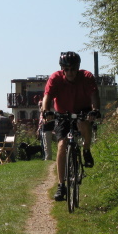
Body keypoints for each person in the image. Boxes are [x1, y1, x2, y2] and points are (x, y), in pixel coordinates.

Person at [42, 51, 100, 201]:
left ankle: (86, 149)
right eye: (66, 69)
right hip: (63, 114)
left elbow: (94, 95)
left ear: (78, 67)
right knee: (62, 146)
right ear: (62, 69)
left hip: (83, 111)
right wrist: (46, 111)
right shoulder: (55, 78)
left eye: (73, 69)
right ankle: (61, 185)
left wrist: (95, 110)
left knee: (83, 123)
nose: (70, 72)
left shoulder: (86, 76)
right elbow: (47, 97)